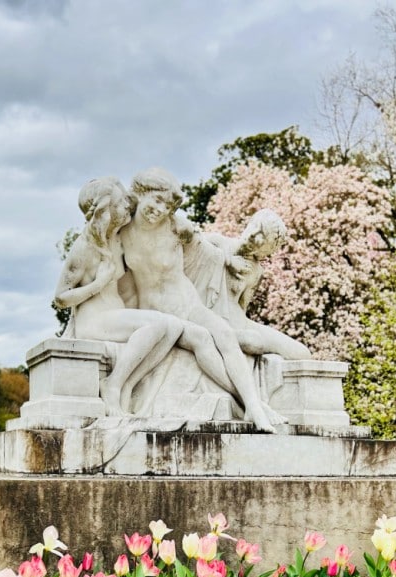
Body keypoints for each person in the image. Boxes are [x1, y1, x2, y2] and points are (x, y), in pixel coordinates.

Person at [120, 168, 282, 432]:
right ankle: (252, 404)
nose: (158, 210)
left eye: (166, 205)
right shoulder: (122, 232)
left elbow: (205, 250)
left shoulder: (175, 226)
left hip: (188, 303)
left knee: (226, 335)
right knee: (203, 340)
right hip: (160, 313)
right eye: (155, 200)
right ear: (141, 194)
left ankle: (253, 405)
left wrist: (229, 261)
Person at [53, 177, 229, 417]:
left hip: (115, 316)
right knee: (158, 323)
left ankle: (125, 385)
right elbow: (61, 297)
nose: (128, 206)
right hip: (94, 321)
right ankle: (113, 384)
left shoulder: (117, 238)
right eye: (121, 203)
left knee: (174, 326)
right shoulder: (84, 247)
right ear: (106, 209)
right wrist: (98, 284)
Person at [185, 209, 312, 360]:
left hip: (238, 323)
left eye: (261, 237)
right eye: (255, 226)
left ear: (266, 251)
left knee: (301, 353)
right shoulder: (217, 243)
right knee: (252, 342)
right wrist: (228, 261)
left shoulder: (256, 271)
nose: (253, 234)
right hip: (206, 317)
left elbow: (242, 306)